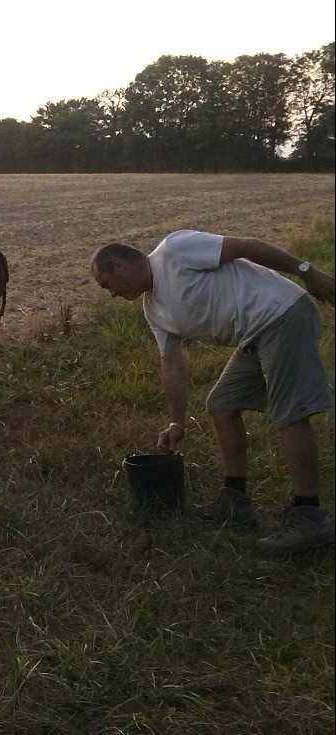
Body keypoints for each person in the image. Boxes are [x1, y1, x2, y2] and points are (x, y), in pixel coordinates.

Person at [91, 230, 335, 556]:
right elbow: (172, 365)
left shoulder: (174, 250)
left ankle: (309, 517)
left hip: (281, 313)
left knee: (289, 412)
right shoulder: (154, 309)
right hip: (254, 335)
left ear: (119, 265)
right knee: (221, 404)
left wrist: (308, 272)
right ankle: (235, 501)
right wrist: (176, 423)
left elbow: (246, 246)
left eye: (107, 285)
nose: (111, 295)